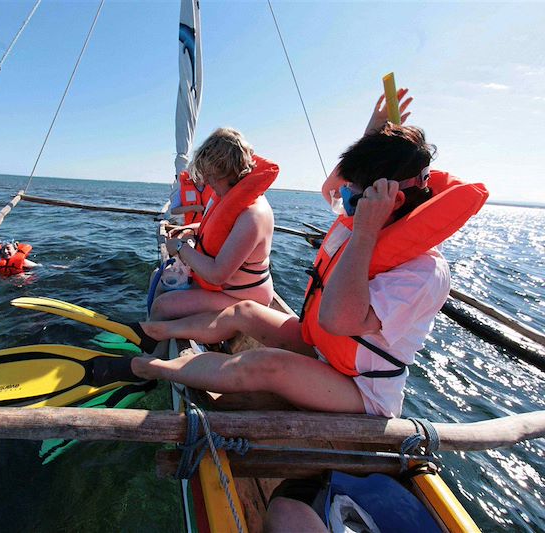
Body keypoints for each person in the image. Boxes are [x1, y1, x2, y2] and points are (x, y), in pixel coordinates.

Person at [115, 92, 488, 418]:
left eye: (352, 196)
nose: (342, 199)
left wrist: (365, 232)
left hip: (360, 389)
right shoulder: (357, 216)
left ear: (387, 200)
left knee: (264, 364)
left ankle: (156, 368)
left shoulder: (423, 272)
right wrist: (372, 134)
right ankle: (156, 331)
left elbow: (338, 318)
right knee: (244, 311)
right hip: (323, 350)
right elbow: (333, 186)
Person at [150, 127, 278, 320]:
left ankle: (154, 348)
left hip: (242, 298)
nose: (208, 182)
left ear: (229, 169)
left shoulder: (253, 215)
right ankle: (153, 340)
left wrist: (179, 247)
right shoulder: (225, 196)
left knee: (163, 306)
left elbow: (217, 274)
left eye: (211, 175)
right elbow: (219, 231)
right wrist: (187, 228)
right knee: (157, 277)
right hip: (223, 290)